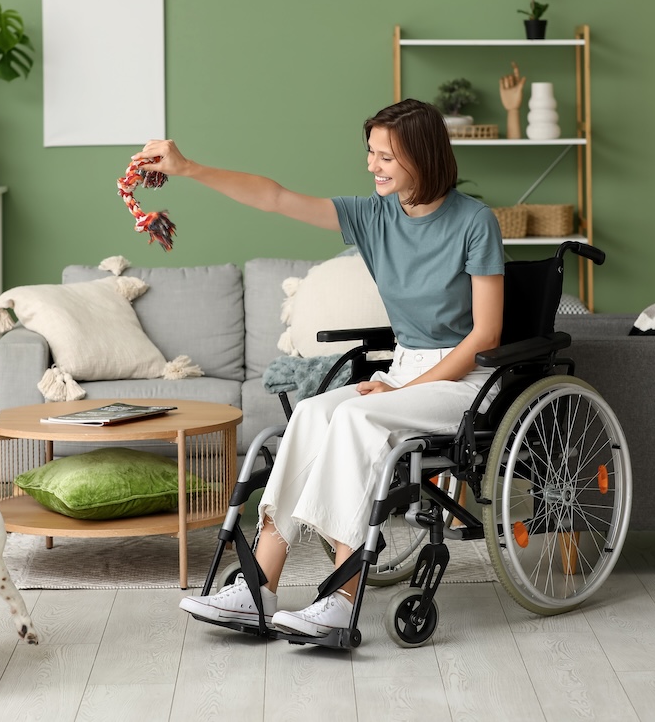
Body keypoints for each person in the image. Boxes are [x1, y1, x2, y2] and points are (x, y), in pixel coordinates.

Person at [135, 98, 504, 638]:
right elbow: (275, 196)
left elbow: (486, 335)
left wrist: (400, 390)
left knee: (356, 419)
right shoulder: (375, 215)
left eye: (386, 157)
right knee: (310, 414)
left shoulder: (475, 222)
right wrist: (188, 168)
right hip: (403, 374)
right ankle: (258, 585)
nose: (373, 166)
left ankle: (339, 598)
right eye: (371, 153)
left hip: (464, 381)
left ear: (423, 157)